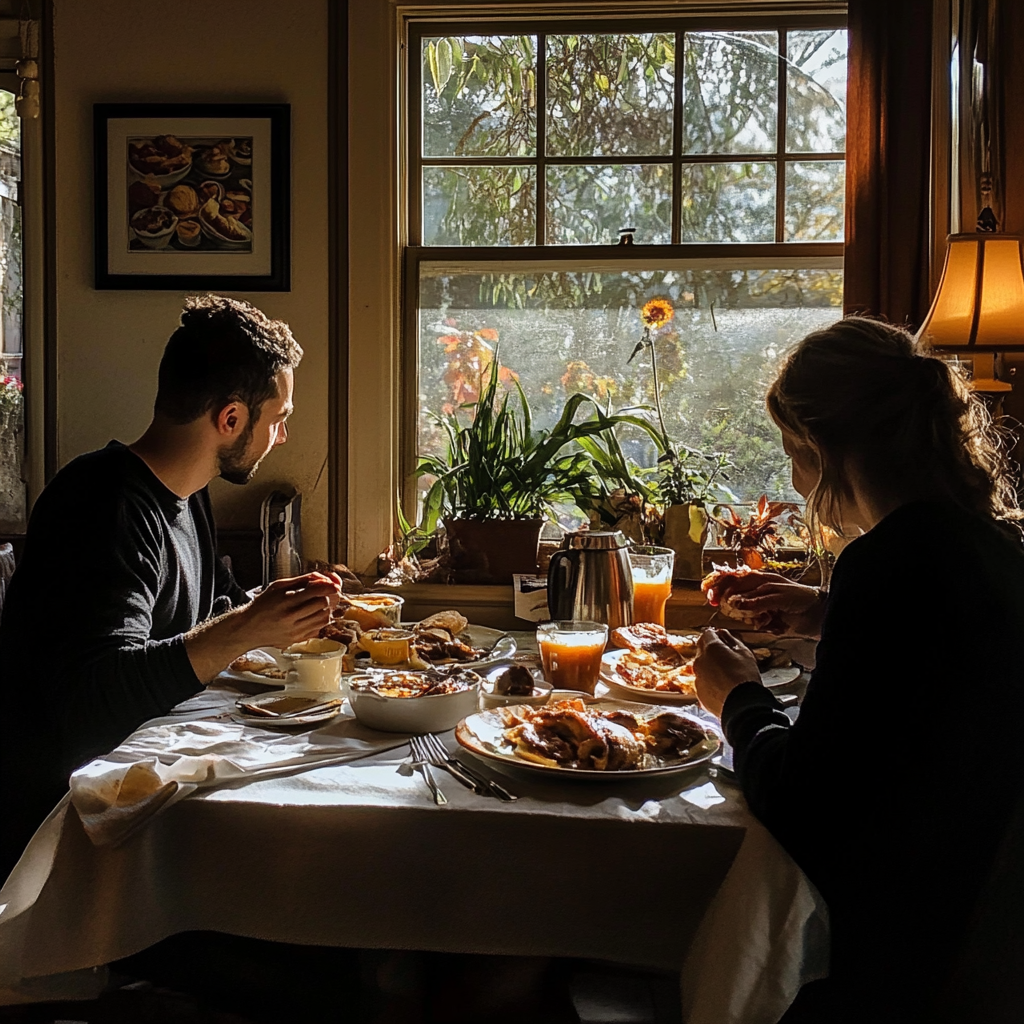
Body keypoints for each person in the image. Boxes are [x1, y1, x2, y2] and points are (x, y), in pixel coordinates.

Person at [693, 317, 1024, 1023]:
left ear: (821, 446)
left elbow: (802, 806)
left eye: (791, 451)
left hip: (890, 955)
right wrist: (825, 610)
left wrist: (737, 699)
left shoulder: (889, 566)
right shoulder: (987, 549)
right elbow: (933, 665)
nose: (791, 476)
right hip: (984, 940)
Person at [0, 295, 341, 878]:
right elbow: (91, 701)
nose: (281, 437)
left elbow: (205, 612)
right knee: (322, 861)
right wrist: (246, 626)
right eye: (278, 418)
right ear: (231, 419)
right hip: (71, 830)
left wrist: (277, 612)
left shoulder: (186, 491)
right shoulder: (102, 505)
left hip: (142, 777)